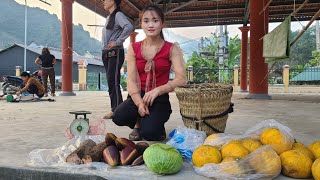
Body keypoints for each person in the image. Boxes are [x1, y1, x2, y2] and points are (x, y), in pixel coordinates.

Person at [112, 4, 187, 141]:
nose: (150, 25)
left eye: (155, 20)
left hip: (159, 98)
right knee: (118, 116)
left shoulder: (172, 48)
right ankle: (138, 123)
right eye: (146, 21)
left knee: (150, 134)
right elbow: (131, 80)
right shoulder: (134, 48)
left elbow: (181, 79)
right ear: (141, 24)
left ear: (162, 24)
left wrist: (158, 90)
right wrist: (140, 103)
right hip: (137, 95)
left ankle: (156, 125)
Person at [101, 0, 134, 119]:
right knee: (111, 81)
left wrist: (117, 42)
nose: (103, 1)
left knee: (114, 82)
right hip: (107, 53)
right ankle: (116, 109)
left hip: (115, 52)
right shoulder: (110, 17)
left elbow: (129, 27)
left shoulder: (118, 15)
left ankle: (117, 111)